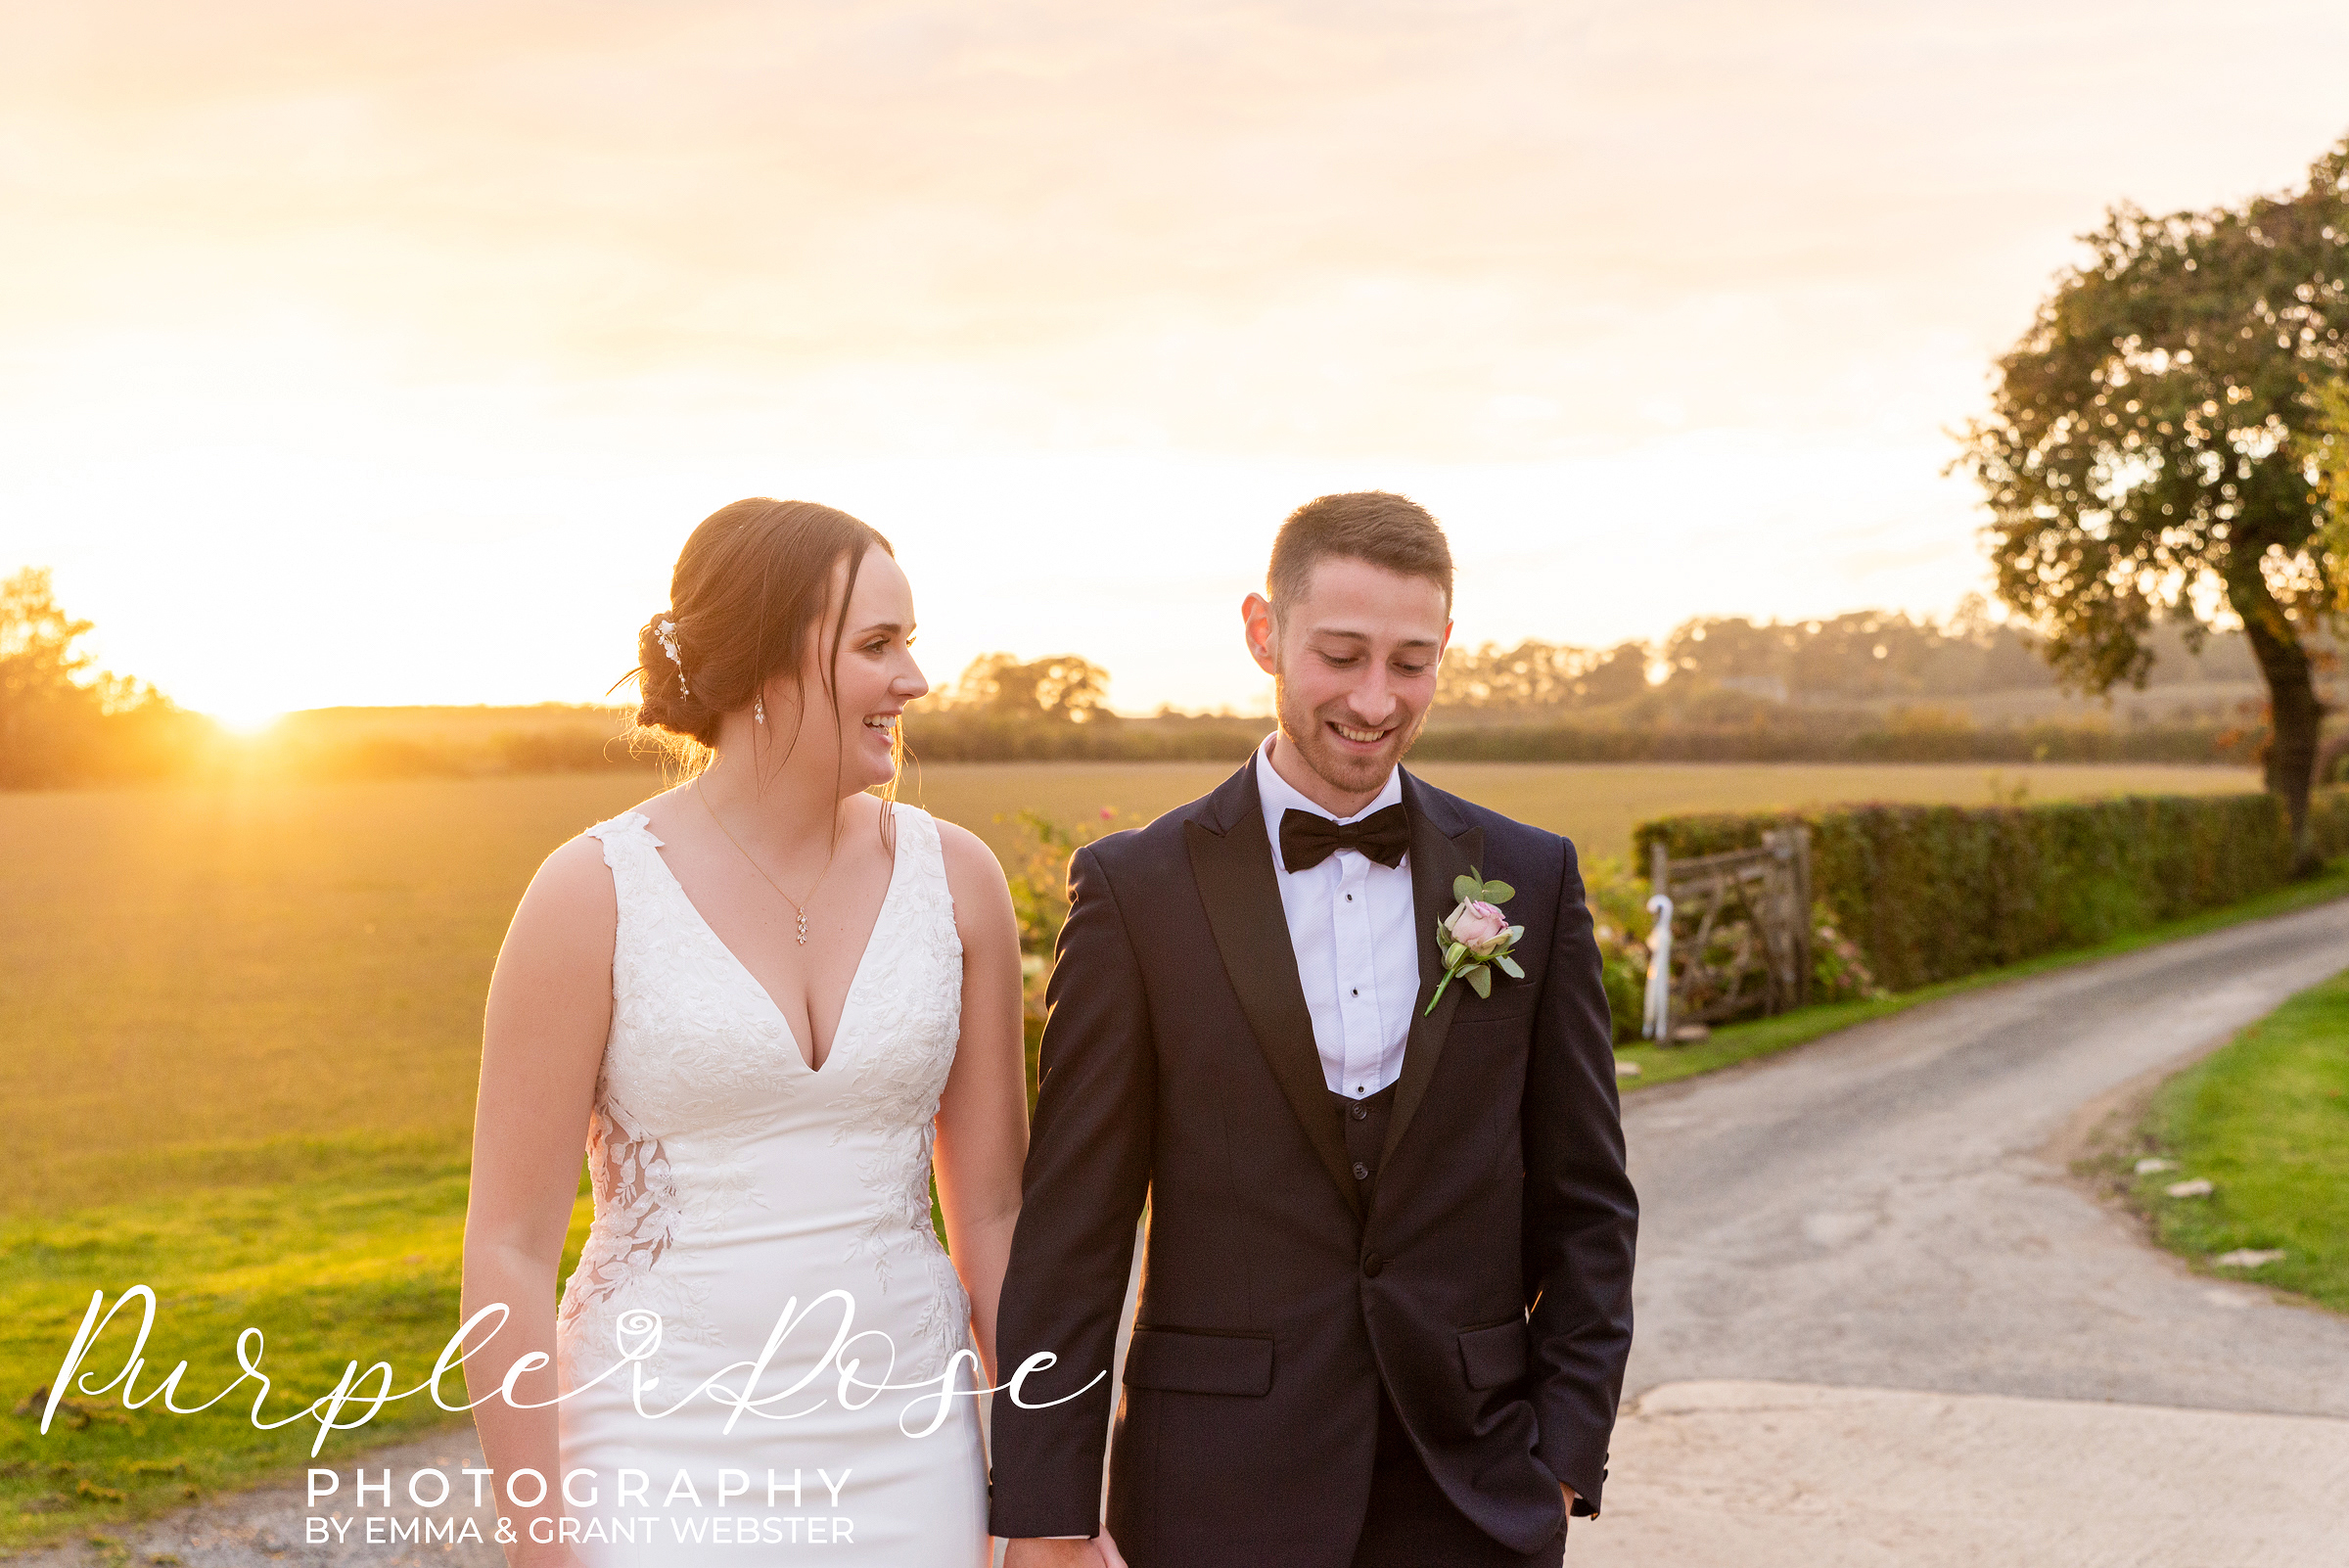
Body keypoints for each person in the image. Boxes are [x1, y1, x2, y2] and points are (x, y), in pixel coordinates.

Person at [988, 491, 1637, 1568]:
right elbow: (1076, 1230)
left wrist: (1565, 1450)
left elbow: (1589, 1201)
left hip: (1474, 1489)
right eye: (1341, 655)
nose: (1377, 700)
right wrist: (1050, 1513)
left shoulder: (1532, 878)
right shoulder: (1136, 891)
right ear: (1263, 634)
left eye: (1411, 662)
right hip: (1210, 1491)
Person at [461, 498, 1028, 1567]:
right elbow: (508, 1247)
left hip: (910, 1457)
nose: (913, 679)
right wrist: (539, 1538)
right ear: (766, 668)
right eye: (877, 646)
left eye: (910, 642)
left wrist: (1046, 1499)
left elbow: (993, 1215)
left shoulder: (960, 883)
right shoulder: (591, 894)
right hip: (654, 1447)